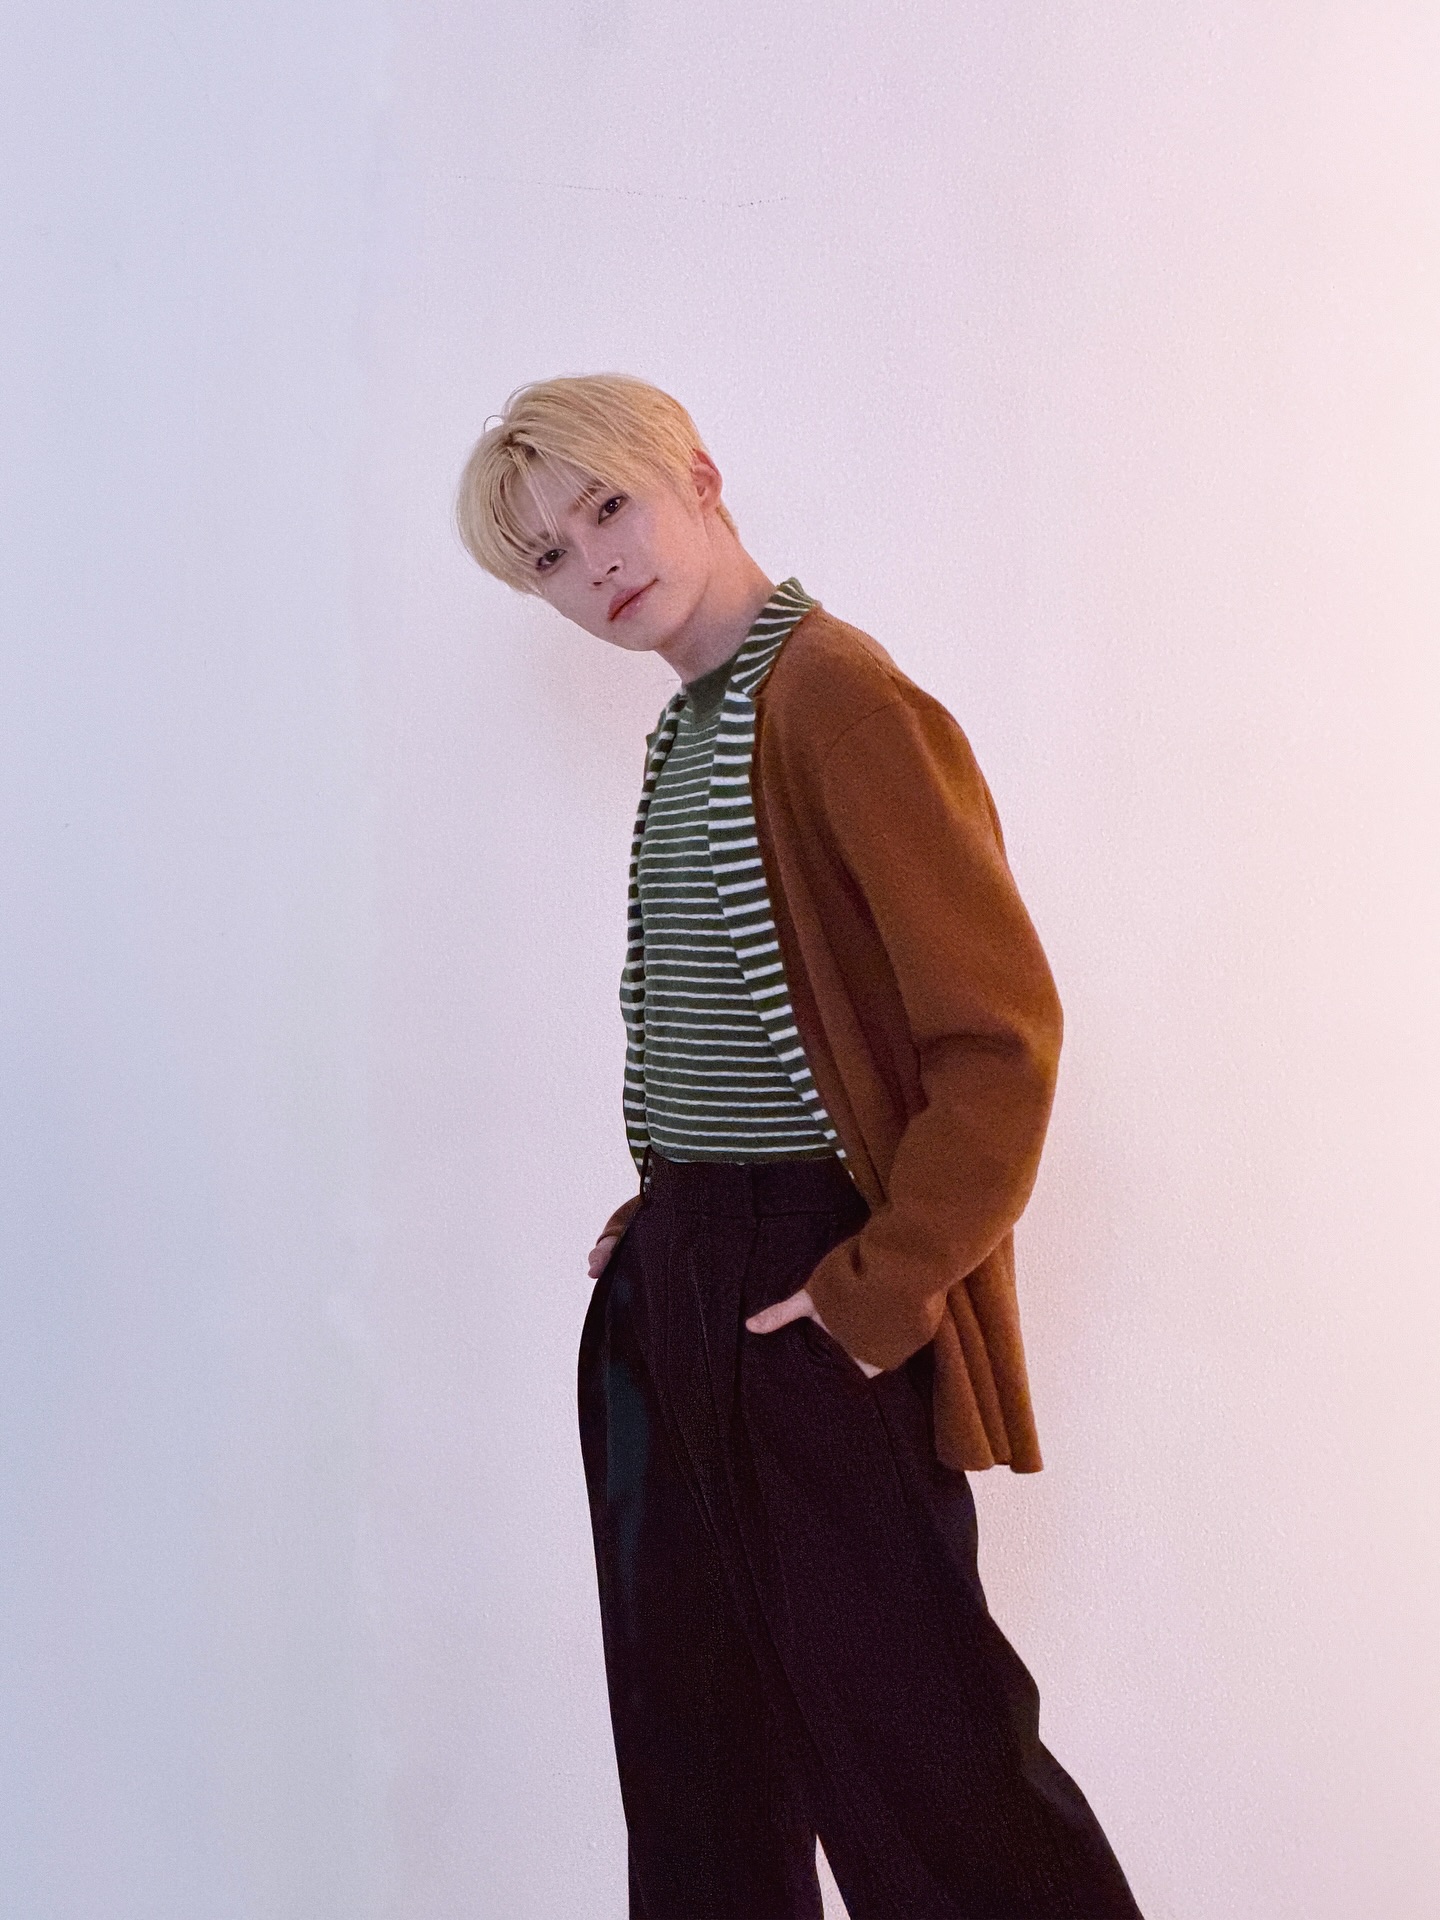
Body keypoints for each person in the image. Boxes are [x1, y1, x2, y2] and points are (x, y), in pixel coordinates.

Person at [454, 373, 1144, 1919]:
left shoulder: (836, 697)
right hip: (688, 1274)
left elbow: (998, 1044)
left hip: (813, 1280)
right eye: (550, 556)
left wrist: (875, 1292)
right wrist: (672, 1205)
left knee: (931, 1757)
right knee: (699, 1753)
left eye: (610, 507)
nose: (595, 564)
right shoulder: (694, 724)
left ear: (698, 476)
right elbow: (776, 1027)